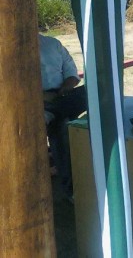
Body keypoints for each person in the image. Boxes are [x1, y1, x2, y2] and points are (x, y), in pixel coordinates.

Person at [39, 33, 87, 201]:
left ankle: (54, 112)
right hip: (34, 101)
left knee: (93, 93)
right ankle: (71, 189)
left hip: (62, 96)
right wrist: (42, 96)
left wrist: (65, 89)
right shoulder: (13, 46)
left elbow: (72, 74)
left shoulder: (53, 44)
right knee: (61, 128)